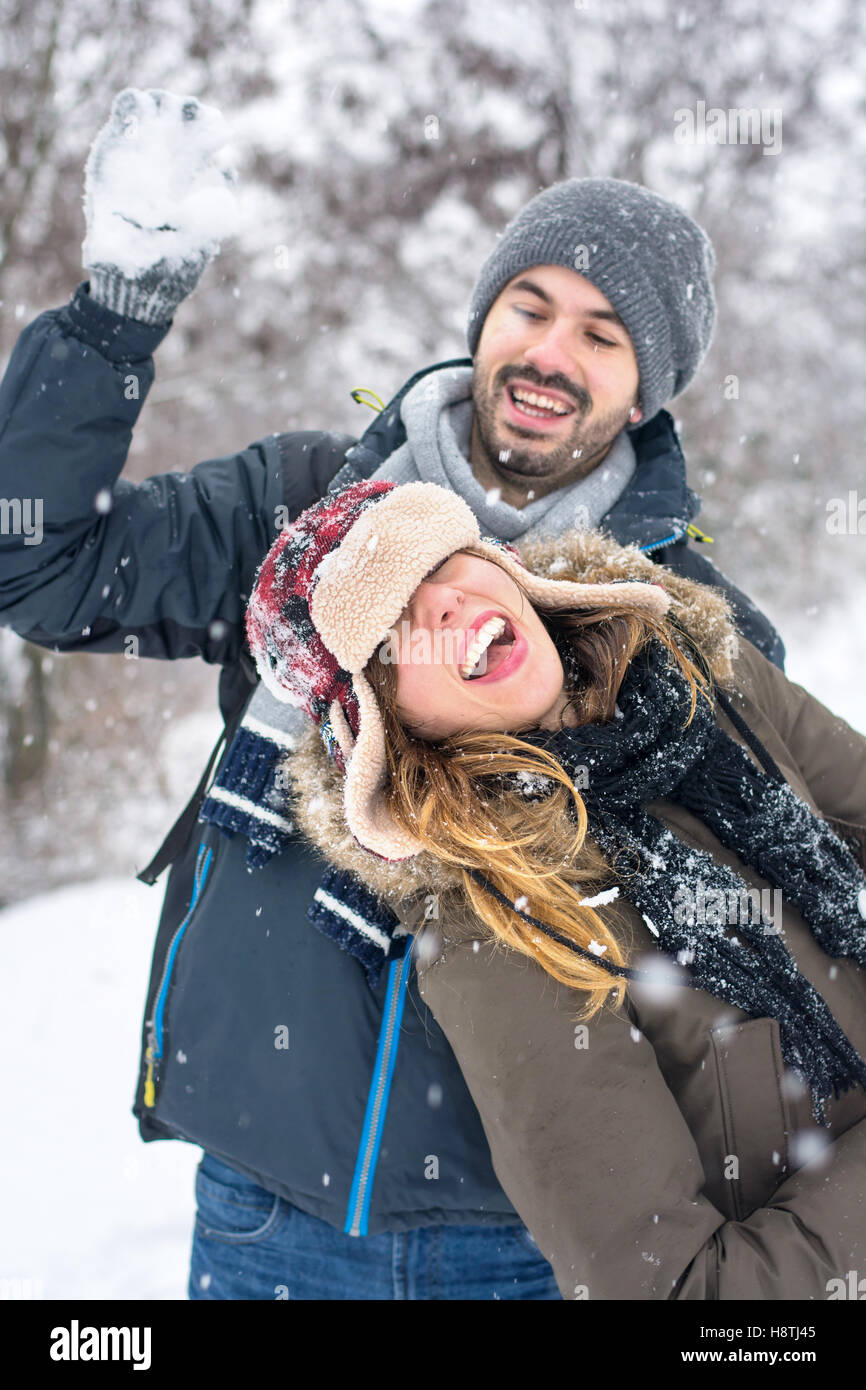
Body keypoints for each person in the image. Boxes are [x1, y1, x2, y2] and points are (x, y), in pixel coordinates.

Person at [0, 86, 789, 1300]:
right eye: (529, 306)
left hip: (532, 1244)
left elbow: (744, 953)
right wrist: (113, 321)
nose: (547, 354)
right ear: (482, 320)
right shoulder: (305, 512)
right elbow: (39, 565)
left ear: (644, 391)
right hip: (270, 1215)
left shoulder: (677, 626)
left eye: (600, 334)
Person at [245, 476, 866, 1302]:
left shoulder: (702, 674)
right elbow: (676, 1292)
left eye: (443, 560)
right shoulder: (496, 931)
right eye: (394, 627)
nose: (441, 605)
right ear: (384, 731)